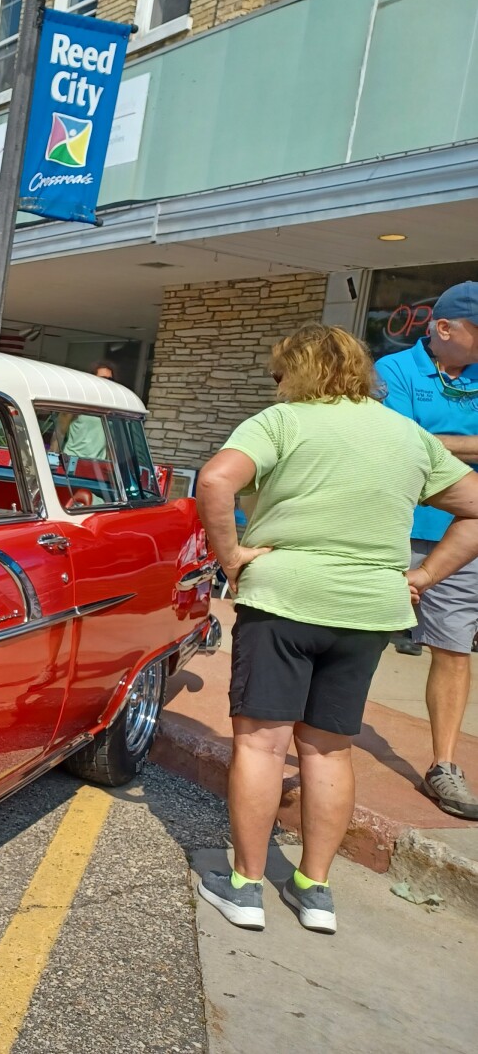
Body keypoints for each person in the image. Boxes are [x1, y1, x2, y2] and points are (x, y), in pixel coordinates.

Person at [195, 324, 478, 934]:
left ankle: (245, 886)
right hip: (370, 609)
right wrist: (424, 575)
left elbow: (216, 480)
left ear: (292, 373)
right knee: (328, 747)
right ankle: (315, 890)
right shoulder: (407, 434)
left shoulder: (280, 423)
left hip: (285, 598)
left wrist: (231, 557)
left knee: (262, 743)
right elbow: (475, 506)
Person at [375, 281, 478, 819]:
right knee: (358, 639)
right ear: (442, 329)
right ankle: (323, 746)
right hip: (388, 528)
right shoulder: (392, 372)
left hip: (463, 534)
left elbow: (414, 440)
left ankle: (443, 765)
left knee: (453, 647)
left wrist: (429, 438)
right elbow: (390, 438)